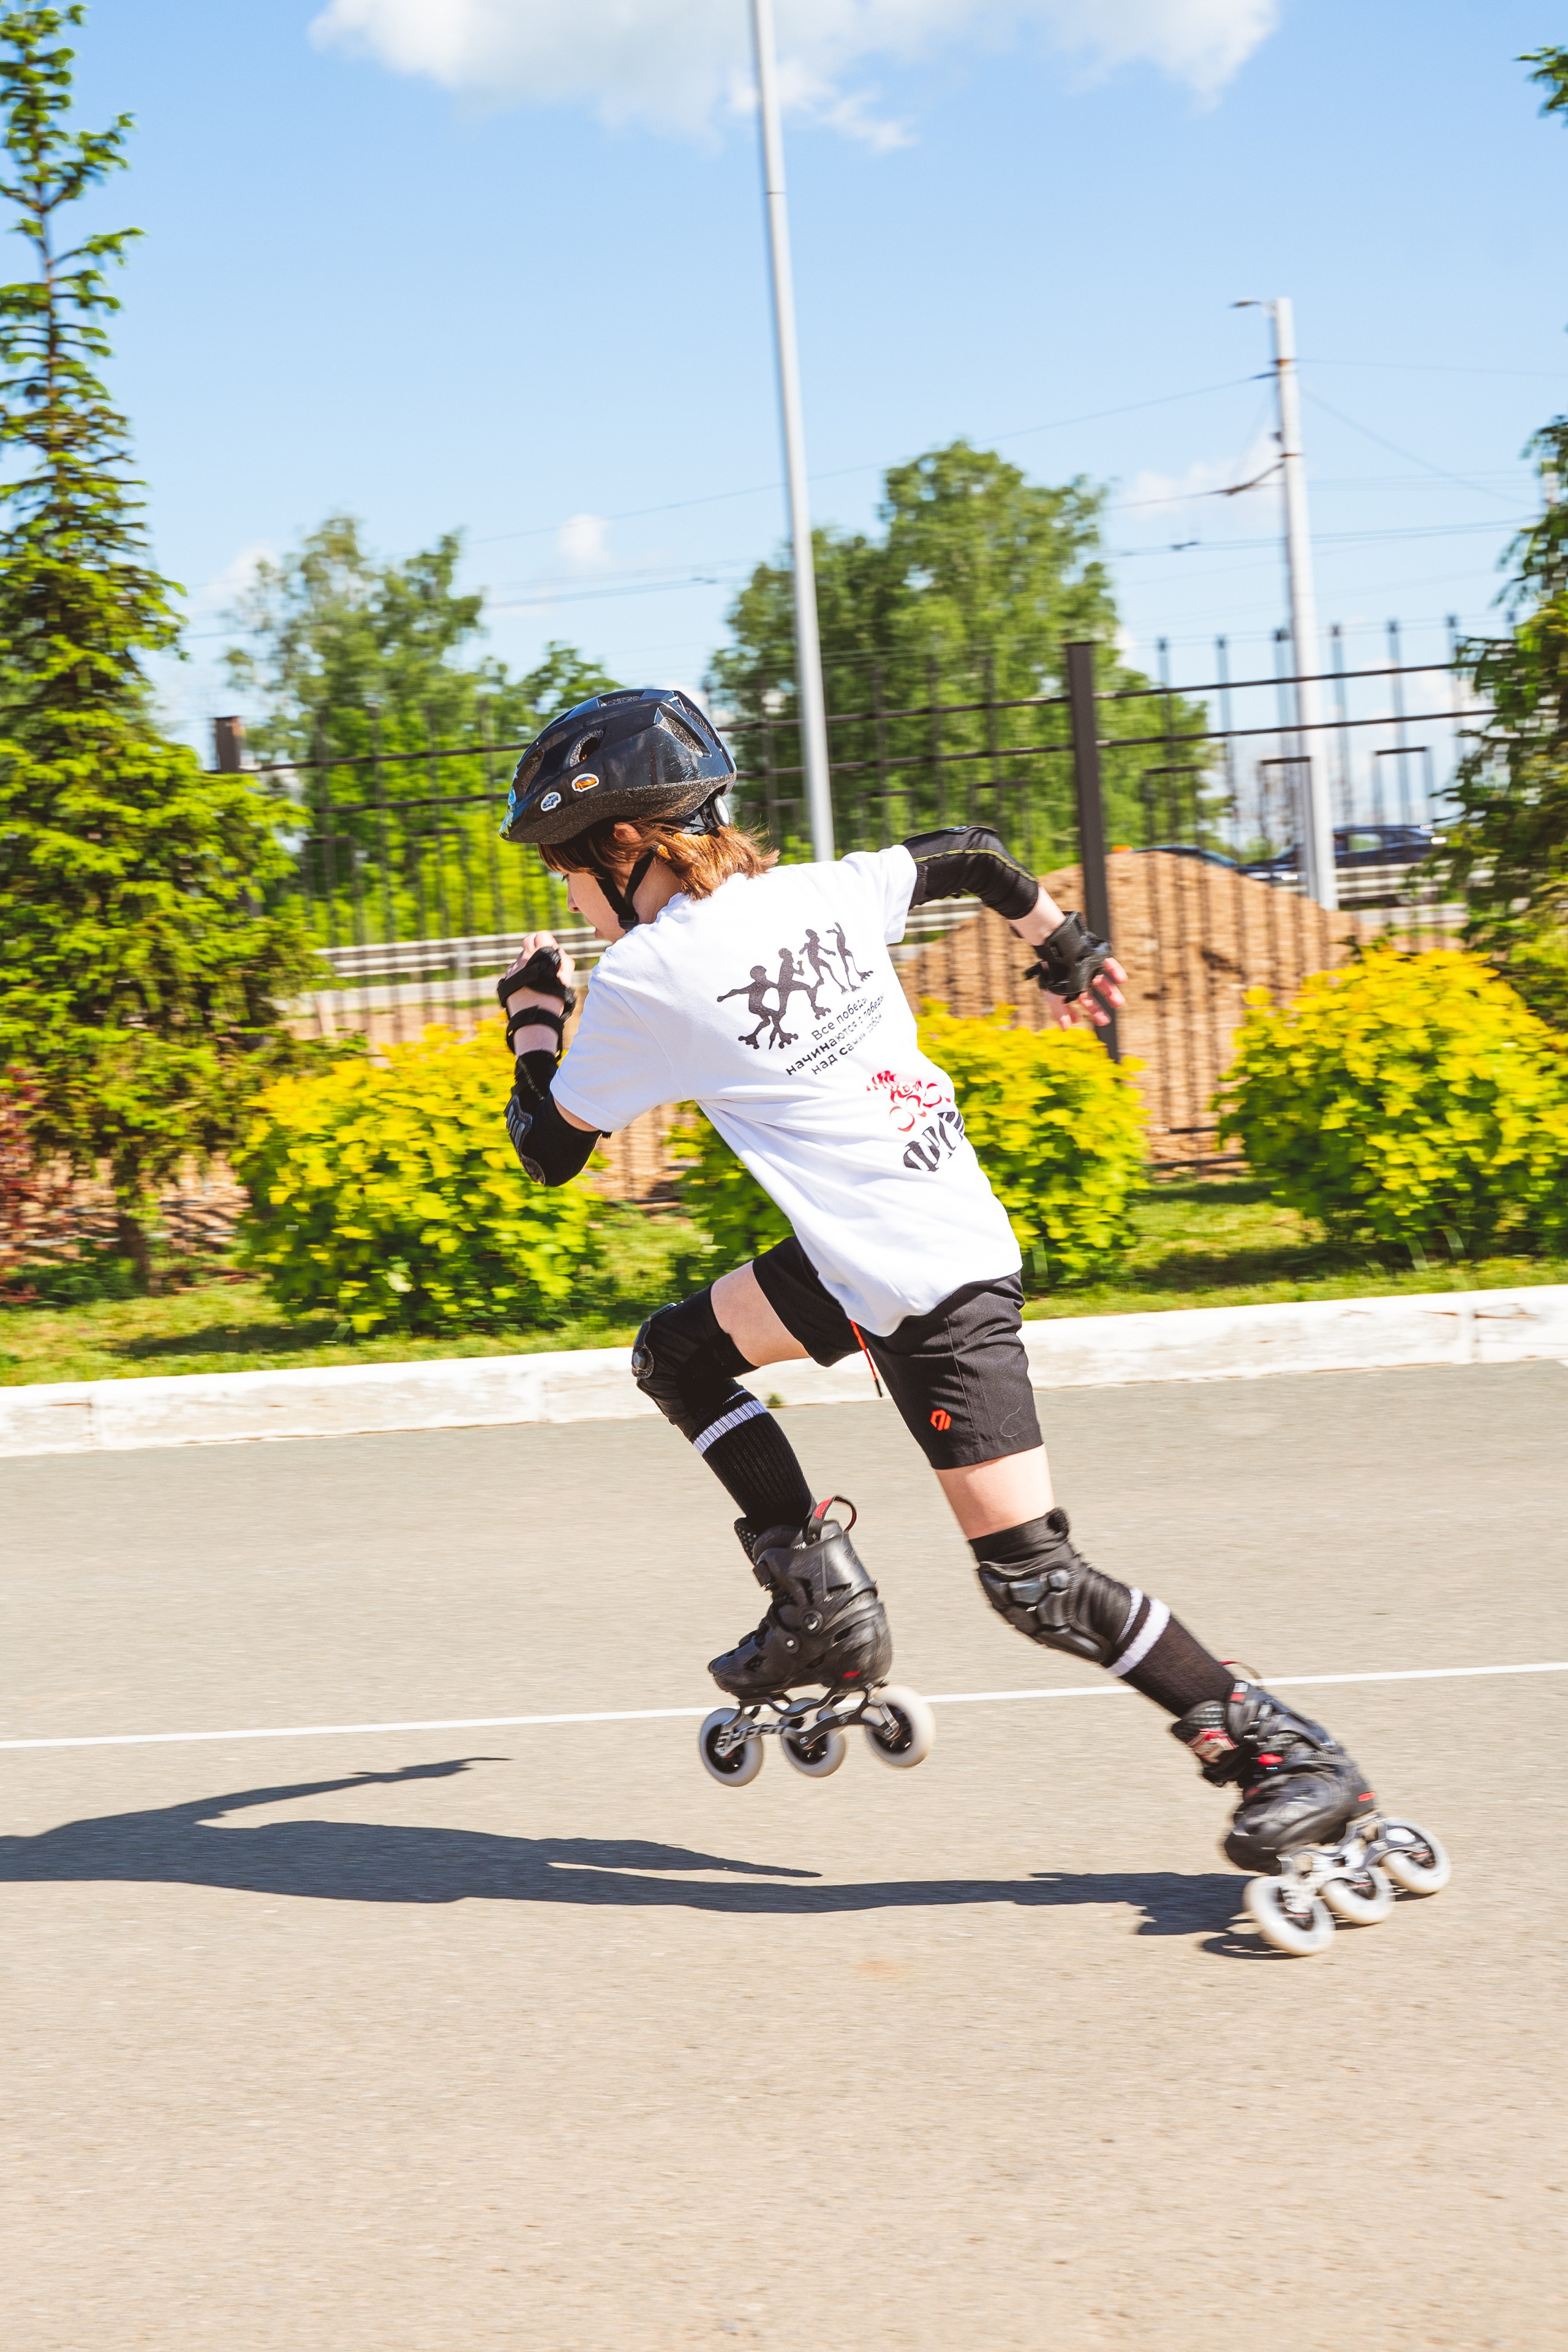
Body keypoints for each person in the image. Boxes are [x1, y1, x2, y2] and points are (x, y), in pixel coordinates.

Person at [493, 685, 1377, 1881]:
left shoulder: (648, 979)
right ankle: (817, 1606)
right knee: (680, 1355)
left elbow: (549, 1150)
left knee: (1037, 1584)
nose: (564, 893)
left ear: (622, 844)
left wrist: (533, 1020)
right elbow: (973, 853)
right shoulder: (817, 891)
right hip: (869, 1246)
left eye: (562, 865)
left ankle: (1282, 1754)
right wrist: (1065, 947)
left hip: (927, 1288)